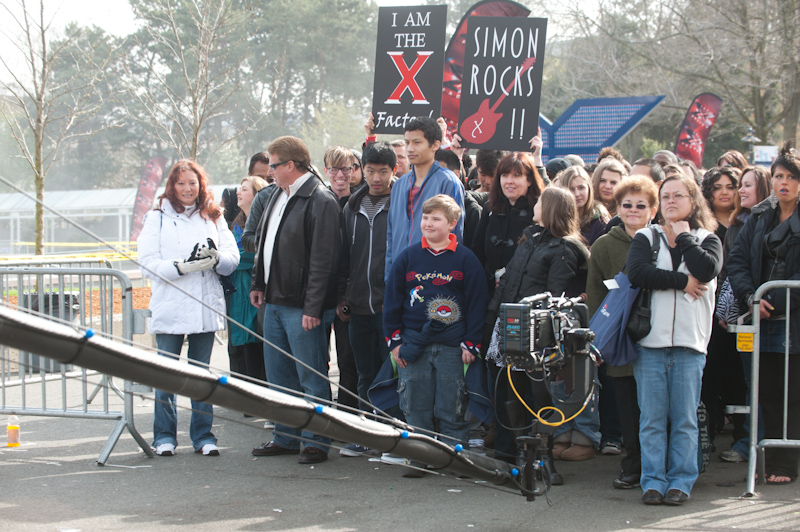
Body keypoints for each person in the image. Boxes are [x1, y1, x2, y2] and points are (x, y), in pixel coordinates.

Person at [627, 173, 722, 506]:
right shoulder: (645, 236)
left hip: (690, 345)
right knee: (651, 419)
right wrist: (683, 283)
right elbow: (638, 273)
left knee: (684, 419)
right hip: (650, 344)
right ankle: (652, 481)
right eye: (665, 196)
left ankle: (682, 480)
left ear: (692, 201)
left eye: (678, 196)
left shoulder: (707, 238)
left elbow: (707, 269)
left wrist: (685, 240)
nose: (670, 201)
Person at [484, 187, 590, 479]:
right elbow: (507, 284)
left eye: (541, 200)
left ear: (553, 207)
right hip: (511, 325)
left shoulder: (564, 249)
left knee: (536, 397)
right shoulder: (528, 239)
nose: (536, 203)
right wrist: (493, 317)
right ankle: (513, 454)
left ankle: (543, 460)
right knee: (508, 392)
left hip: (538, 338)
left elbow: (553, 298)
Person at [249, 136, 342, 465]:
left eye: (273, 165)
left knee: (311, 377)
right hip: (274, 302)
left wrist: (313, 307)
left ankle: (317, 440)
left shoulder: (320, 200)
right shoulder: (277, 195)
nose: (269, 171)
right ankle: (286, 436)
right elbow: (265, 244)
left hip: (302, 308)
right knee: (279, 376)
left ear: (291, 165)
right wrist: (259, 282)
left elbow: (324, 261)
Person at [138, 159, 240, 457]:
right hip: (171, 305)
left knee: (202, 375)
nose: (187, 188)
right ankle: (164, 436)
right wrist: (182, 267)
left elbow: (231, 257)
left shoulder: (213, 215)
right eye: (181, 183)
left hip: (204, 306)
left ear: (201, 185)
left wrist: (215, 258)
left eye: (192, 183)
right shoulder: (156, 216)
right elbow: (147, 264)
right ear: (172, 185)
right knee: (166, 375)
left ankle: (203, 436)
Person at [383, 194, 488, 474]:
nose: (428, 223)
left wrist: (471, 343)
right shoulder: (408, 257)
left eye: (436, 218)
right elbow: (392, 300)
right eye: (425, 217)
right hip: (414, 345)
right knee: (415, 405)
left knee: (451, 405)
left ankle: (456, 459)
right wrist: (394, 340)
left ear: (452, 224)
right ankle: (421, 457)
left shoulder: (466, 259)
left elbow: (478, 303)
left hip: (454, 346)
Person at [727, 141, 800, 484]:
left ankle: (787, 464)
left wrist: (780, 300)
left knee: (793, 395)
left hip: (794, 320)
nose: (783, 183)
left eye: (790, 177)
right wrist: (752, 298)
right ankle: (769, 461)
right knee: (767, 393)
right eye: (778, 176)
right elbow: (738, 261)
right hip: (762, 317)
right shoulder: (759, 217)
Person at [586, 175, 660, 489]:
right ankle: (632, 466)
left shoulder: (663, 241)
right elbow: (596, 297)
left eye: (641, 205)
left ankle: (658, 467)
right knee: (628, 409)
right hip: (620, 339)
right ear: (617, 208)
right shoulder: (603, 246)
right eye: (626, 205)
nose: (633, 210)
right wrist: (597, 341)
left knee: (656, 409)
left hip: (658, 337)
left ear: (653, 210)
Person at [337, 142, 397, 457]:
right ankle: (367, 433)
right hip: (358, 304)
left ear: (394, 171)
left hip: (391, 306)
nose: (376, 178)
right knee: (364, 372)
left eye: (383, 171)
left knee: (393, 372)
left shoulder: (404, 203)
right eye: (370, 170)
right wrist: (343, 296)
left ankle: (393, 435)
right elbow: (343, 255)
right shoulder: (351, 206)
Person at [719, 165, 771, 463]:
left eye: (747, 185)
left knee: (772, 383)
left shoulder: (772, 222)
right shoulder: (737, 223)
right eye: (741, 184)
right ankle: (748, 441)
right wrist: (731, 305)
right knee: (750, 382)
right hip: (743, 314)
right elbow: (730, 269)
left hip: (774, 312)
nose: (740, 190)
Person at [385, 117, 465, 281]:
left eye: (417, 142)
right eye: (407, 143)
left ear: (435, 145)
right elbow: (391, 236)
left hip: (433, 279)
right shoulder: (399, 185)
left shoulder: (448, 182)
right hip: (400, 276)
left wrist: (442, 278)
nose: (410, 149)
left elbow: (454, 235)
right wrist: (390, 277)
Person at [699, 166, 742, 444]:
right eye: (718, 187)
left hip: (739, 311)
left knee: (737, 374)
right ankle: (709, 430)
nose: (725, 192)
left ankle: (740, 432)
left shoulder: (746, 223)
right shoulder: (705, 227)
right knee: (710, 372)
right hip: (709, 313)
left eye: (730, 186)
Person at [470, 152, 544, 299]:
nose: (509, 181)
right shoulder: (489, 209)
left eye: (516, 176)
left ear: (529, 180)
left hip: (524, 294)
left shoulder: (540, 211)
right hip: (489, 292)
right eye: (504, 176)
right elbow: (477, 251)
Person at [227, 176, 268, 385]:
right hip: (238, 292)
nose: (238, 192)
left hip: (256, 290)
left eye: (244, 189)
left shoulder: (264, 221)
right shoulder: (237, 223)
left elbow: (252, 255)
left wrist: (229, 257)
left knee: (258, 345)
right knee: (241, 347)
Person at [560, 166, 611, 246]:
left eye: (581, 188)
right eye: (572, 189)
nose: (577, 194)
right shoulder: (558, 219)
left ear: (589, 188)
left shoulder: (600, 220)